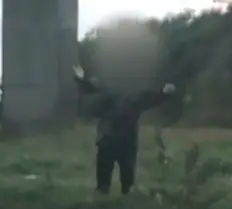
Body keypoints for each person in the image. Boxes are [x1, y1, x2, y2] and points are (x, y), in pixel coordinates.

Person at [73, 65, 177, 195]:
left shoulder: (131, 96)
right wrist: (81, 79)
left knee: (122, 181)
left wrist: (164, 92)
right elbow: (92, 89)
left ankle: (116, 195)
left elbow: (155, 97)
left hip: (116, 141)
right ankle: (111, 194)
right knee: (112, 180)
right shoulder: (124, 95)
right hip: (115, 141)